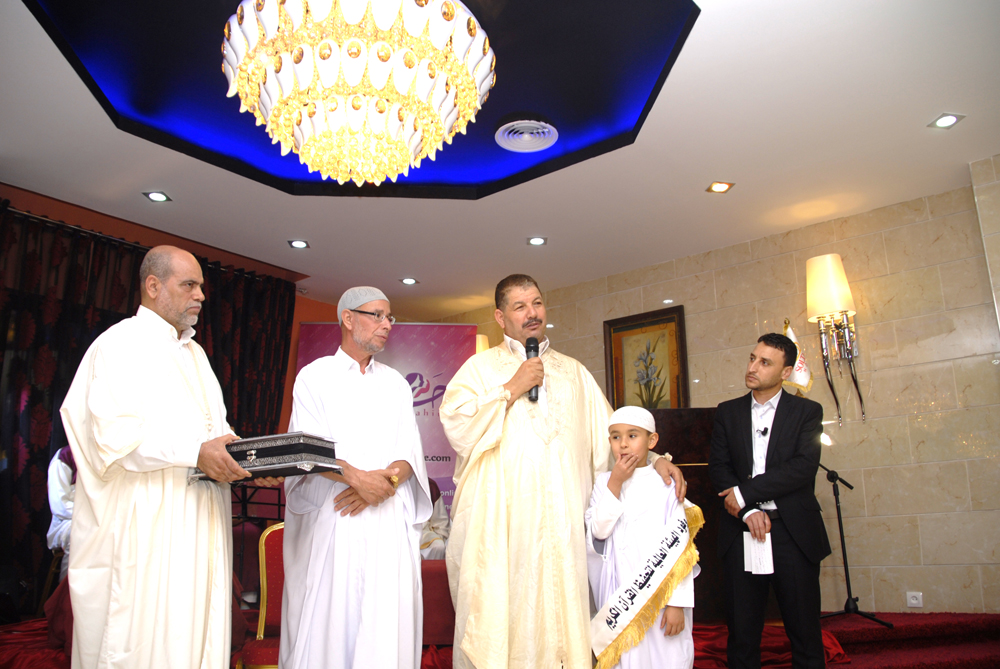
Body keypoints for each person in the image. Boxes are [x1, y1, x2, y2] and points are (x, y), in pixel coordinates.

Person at [440, 274, 686, 669]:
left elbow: (612, 437)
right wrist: (512, 387)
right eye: (520, 306)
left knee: (565, 618)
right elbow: (457, 425)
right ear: (500, 317)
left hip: (564, 528)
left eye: (537, 303)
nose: (532, 313)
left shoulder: (574, 373)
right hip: (506, 530)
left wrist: (655, 460)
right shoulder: (479, 369)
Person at [60, 245, 257, 669]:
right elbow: (114, 439)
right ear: (153, 286)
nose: (201, 295)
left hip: (199, 523)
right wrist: (196, 453)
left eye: (201, 286)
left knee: (193, 636)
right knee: (141, 643)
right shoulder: (119, 345)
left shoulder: (196, 354)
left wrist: (253, 462)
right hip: (143, 531)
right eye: (189, 285)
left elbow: (216, 433)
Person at [280, 286, 432, 669]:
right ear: (348, 319)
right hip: (335, 517)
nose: (387, 325)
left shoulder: (396, 383)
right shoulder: (314, 377)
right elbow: (307, 449)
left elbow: (409, 453)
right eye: (376, 315)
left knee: (384, 627)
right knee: (331, 626)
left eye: (389, 317)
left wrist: (384, 485)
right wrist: (357, 480)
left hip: (386, 522)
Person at [707, 333, 831, 669]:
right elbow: (719, 468)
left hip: (793, 532)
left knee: (804, 632)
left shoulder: (807, 411)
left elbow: (802, 468)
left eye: (765, 362)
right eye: (752, 358)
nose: (753, 367)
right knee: (742, 634)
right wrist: (747, 510)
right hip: (741, 531)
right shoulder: (728, 412)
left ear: (786, 372)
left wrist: (745, 493)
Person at [586, 406, 700, 669]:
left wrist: (677, 603)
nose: (623, 444)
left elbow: (680, 548)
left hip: (661, 594)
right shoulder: (604, 483)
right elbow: (599, 531)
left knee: (666, 656)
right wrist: (616, 483)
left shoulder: (666, 483)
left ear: (652, 441)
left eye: (632, 436)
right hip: (621, 592)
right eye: (616, 437)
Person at [46, 446, 76, 582]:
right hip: (67, 521)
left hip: (104, 519)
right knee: (80, 533)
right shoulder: (65, 456)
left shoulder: (112, 455)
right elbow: (60, 506)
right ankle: (68, 592)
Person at [420, 478, 451, 560]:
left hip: (424, 535)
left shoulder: (430, 485)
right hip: (398, 536)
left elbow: (441, 525)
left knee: (438, 545)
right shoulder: (391, 484)